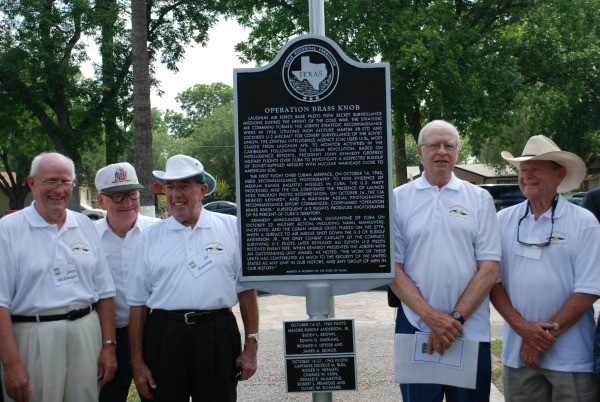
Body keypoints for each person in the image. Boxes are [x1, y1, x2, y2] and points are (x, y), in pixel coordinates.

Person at [126, 154, 259, 402]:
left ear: (203, 189)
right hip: (164, 335)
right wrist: (137, 362)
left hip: (216, 333)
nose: (175, 194)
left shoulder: (231, 228)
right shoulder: (149, 237)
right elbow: (137, 303)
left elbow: (246, 290)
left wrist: (251, 346)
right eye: (170, 187)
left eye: (184, 186)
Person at [389, 120, 501, 402]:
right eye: (434, 145)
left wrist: (453, 320)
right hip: (416, 325)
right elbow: (392, 269)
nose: (442, 151)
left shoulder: (479, 199)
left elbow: (489, 269)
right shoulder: (397, 199)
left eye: (449, 145)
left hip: (469, 329)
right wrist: (430, 318)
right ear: (420, 151)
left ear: (457, 151)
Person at [490, 135, 600, 401]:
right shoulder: (502, 220)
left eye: (536, 169)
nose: (527, 176)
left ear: (559, 175)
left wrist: (538, 339)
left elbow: (589, 288)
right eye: (523, 170)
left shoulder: (583, 222)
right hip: (518, 355)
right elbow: (492, 281)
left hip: (572, 357)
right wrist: (523, 330)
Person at [0, 152, 117, 402]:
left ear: (74, 185)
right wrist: (10, 365)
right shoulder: (8, 230)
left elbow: (105, 292)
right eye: (51, 181)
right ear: (32, 183)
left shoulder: (85, 225)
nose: (59, 189)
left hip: (86, 334)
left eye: (66, 182)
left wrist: (108, 345)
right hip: (33, 336)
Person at [94, 162, 159, 402]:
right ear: (101, 202)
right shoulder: (88, 237)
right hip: (110, 338)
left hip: (152, 333)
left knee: (157, 395)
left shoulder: (158, 231)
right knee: (108, 397)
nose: (128, 202)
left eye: (133, 194)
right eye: (118, 196)